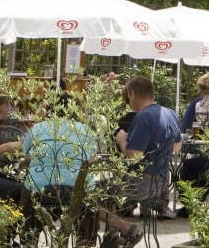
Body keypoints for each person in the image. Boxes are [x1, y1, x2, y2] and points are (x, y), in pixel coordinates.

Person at [23, 93, 142, 247]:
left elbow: (26, 154)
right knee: (87, 200)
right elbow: (91, 159)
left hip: (39, 190)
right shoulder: (85, 130)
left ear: (50, 109)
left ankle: (27, 239)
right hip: (76, 188)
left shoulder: (38, 128)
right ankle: (88, 242)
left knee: (26, 197)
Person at [114, 77, 182, 218]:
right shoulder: (170, 113)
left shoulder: (143, 117)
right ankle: (157, 206)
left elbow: (134, 156)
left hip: (141, 186)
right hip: (161, 184)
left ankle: (121, 225)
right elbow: (177, 146)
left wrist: (121, 141)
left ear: (132, 94)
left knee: (96, 191)